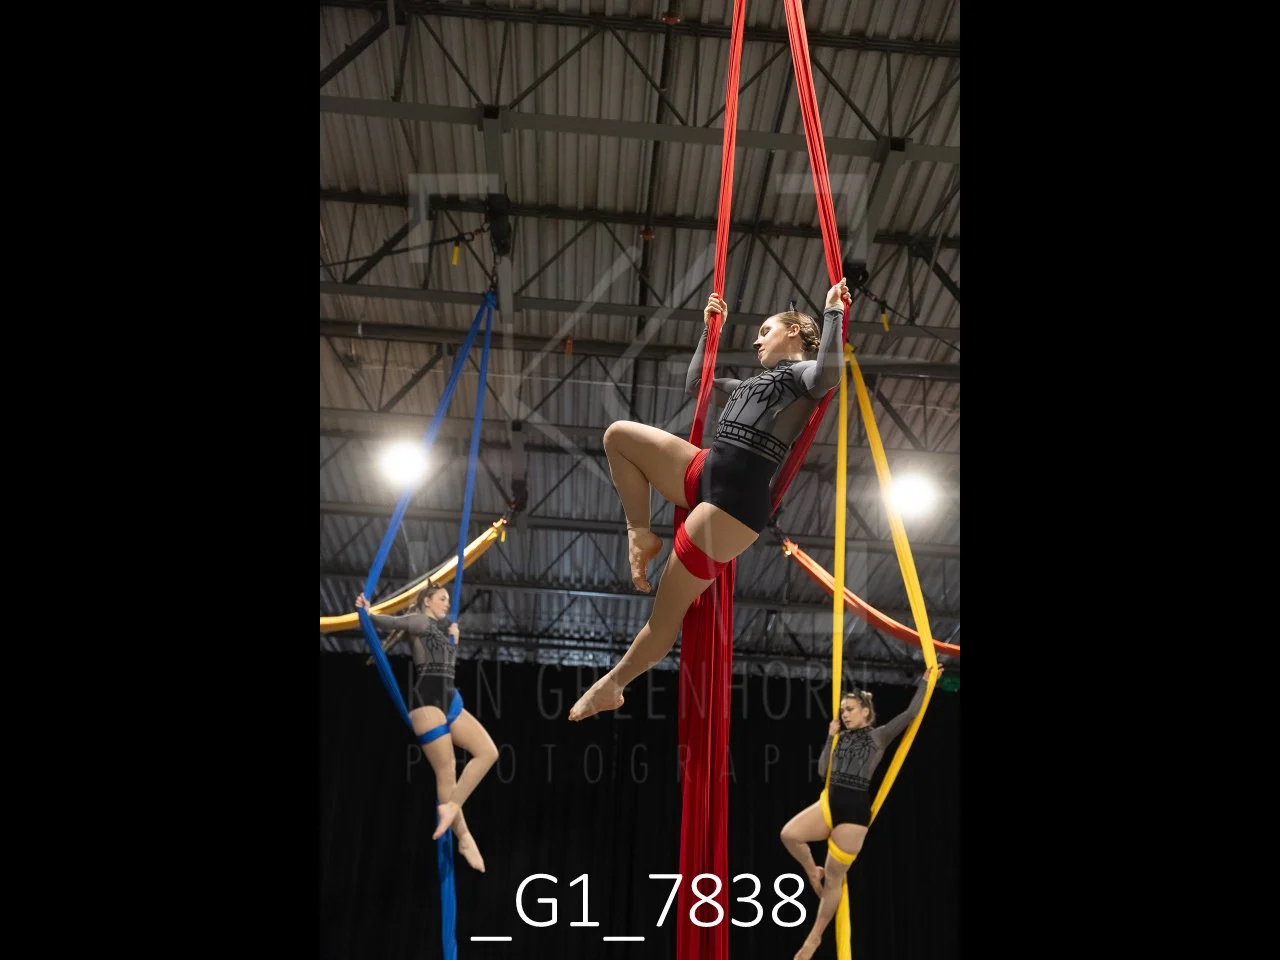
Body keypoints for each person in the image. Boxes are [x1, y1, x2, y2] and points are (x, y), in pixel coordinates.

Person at [568, 280, 851, 721]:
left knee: (665, 615)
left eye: (765, 330)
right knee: (618, 436)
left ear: (794, 331)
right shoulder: (748, 384)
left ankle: (614, 685)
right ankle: (639, 533)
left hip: (733, 506)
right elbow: (697, 384)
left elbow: (829, 376)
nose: (756, 340)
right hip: (705, 469)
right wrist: (708, 330)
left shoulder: (801, 377)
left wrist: (833, 312)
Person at [780, 665, 940, 960]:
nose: (845, 714)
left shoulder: (878, 737)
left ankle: (814, 938)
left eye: (850, 709)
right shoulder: (840, 737)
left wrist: (925, 683)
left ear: (866, 712)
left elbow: (910, 715)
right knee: (789, 835)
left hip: (854, 812)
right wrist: (830, 737)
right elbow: (823, 770)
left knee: (835, 880)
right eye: (843, 710)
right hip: (829, 802)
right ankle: (812, 873)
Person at [356, 585, 499, 870]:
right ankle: (464, 837)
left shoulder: (440, 629)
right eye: (442, 599)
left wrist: (454, 641)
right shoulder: (419, 620)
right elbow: (390, 622)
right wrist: (368, 612)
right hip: (427, 703)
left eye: (447, 599)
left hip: (450, 699)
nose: (447, 604)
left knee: (488, 752)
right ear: (427, 602)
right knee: (447, 772)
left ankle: (452, 806)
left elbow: (447, 666)